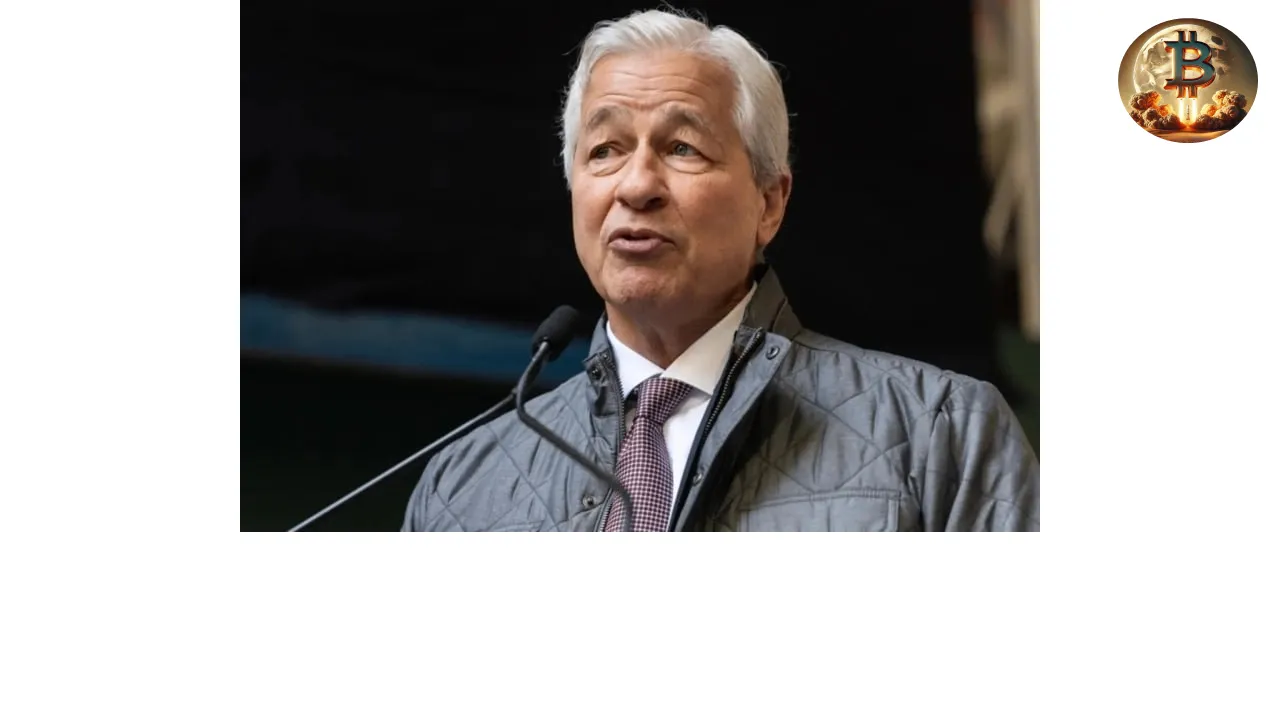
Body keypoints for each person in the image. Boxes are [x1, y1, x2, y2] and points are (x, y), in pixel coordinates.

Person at [402, 8, 1039, 531]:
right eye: (605, 150)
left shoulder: (940, 434)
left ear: (770, 203)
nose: (637, 185)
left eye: (682, 147)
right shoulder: (461, 490)